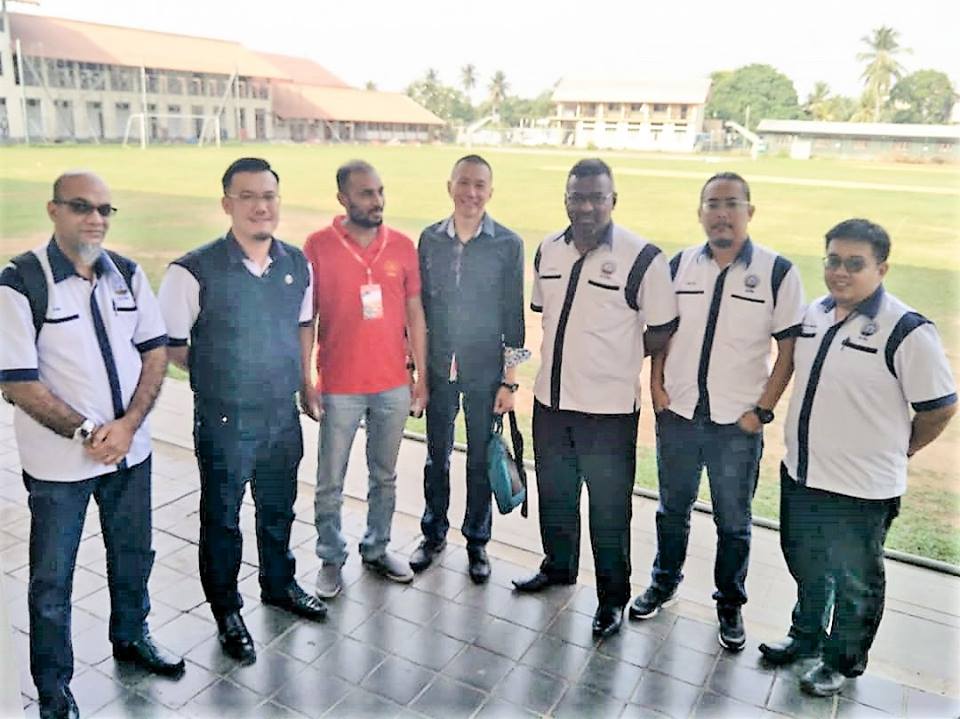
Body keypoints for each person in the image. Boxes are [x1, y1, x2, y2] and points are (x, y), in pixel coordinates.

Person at [0, 171, 184, 719]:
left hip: (131, 452)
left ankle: (132, 636)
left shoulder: (126, 273)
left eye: (105, 209)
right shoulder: (20, 282)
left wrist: (128, 425)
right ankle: (54, 687)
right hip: (61, 465)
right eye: (82, 206)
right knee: (52, 581)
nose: (95, 218)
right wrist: (88, 432)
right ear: (53, 210)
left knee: (134, 555)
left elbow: (155, 353)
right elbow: (18, 381)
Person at [763, 218, 956, 696]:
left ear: (881, 269)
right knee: (806, 563)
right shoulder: (814, 314)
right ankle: (806, 637)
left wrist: (905, 447)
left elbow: (940, 407)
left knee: (855, 583)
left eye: (854, 264)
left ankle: (842, 662)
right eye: (833, 261)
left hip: (862, 489)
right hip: (803, 474)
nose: (840, 272)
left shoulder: (907, 330)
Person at [158, 157, 326, 668]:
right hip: (225, 421)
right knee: (223, 519)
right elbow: (172, 345)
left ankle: (279, 585)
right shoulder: (192, 271)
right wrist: (223, 375)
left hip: (281, 415)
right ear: (226, 204)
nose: (260, 206)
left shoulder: (297, 264)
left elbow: (303, 327)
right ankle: (228, 612)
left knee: (278, 509)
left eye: (268, 196)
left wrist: (305, 385)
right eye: (247, 196)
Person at [629, 172, 805, 652]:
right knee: (671, 510)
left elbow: (788, 351)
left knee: (733, 522)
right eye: (712, 204)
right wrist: (657, 386)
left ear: (750, 211)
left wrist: (761, 412)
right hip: (680, 414)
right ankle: (663, 583)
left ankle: (729, 603)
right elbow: (663, 332)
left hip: (737, 424)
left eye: (731, 203)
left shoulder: (777, 272)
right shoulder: (678, 265)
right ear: (700, 212)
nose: (722, 213)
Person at [513, 159, 677, 638]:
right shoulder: (548, 250)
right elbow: (544, 311)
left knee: (609, 509)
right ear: (566, 200)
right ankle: (558, 567)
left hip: (608, 411)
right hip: (551, 401)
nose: (586, 207)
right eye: (577, 197)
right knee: (556, 495)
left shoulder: (643, 257)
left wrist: (620, 355)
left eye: (596, 198)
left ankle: (611, 599)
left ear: (613, 201)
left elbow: (662, 329)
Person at [305, 160, 426, 599]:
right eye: (365, 194)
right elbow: (307, 318)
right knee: (330, 481)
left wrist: (422, 378)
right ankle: (330, 557)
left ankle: (376, 548)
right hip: (339, 385)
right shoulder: (317, 246)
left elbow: (415, 314)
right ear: (343, 198)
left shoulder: (403, 246)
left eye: (379, 191)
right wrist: (306, 379)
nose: (377, 201)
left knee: (385, 476)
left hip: (392, 384)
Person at [410, 154, 527, 584]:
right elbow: (418, 309)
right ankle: (433, 534)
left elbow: (514, 317)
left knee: (480, 458)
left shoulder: (508, 244)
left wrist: (510, 382)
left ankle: (477, 541)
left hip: (485, 371)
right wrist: (416, 371)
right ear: (450, 186)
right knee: (436, 456)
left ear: (490, 192)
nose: (471, 193)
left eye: (479, 185)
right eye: (464, 183)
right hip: (439, 368)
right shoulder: (429, 239)